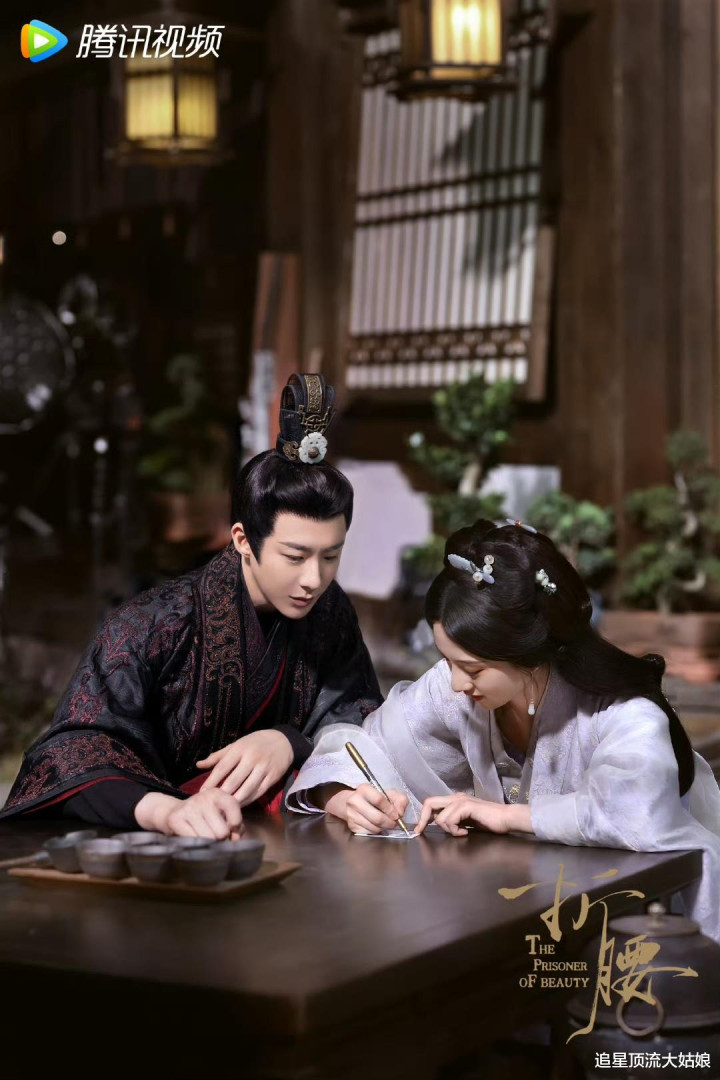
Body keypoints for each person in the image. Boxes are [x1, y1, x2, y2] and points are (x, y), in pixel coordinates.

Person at [287, 518, 720, 943]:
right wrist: (344, 796)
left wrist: (507, 815)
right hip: (504, 907)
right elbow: (367, 745)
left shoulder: (623, 713)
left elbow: (636, 809)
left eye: (473, 669)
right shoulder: (454, 686)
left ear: (528, 655)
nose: (456, 683)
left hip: (620, 923)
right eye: (448, 661)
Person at [1, 374, 382, 838]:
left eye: (331, 556)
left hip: (269, 838)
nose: (314, 579)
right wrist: (163, 810)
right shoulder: (153, 624)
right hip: (151, 838)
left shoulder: (329, 611)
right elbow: (70, 753)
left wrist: (290, 742)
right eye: (295, 556)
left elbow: (358, 712)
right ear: (243, 539)